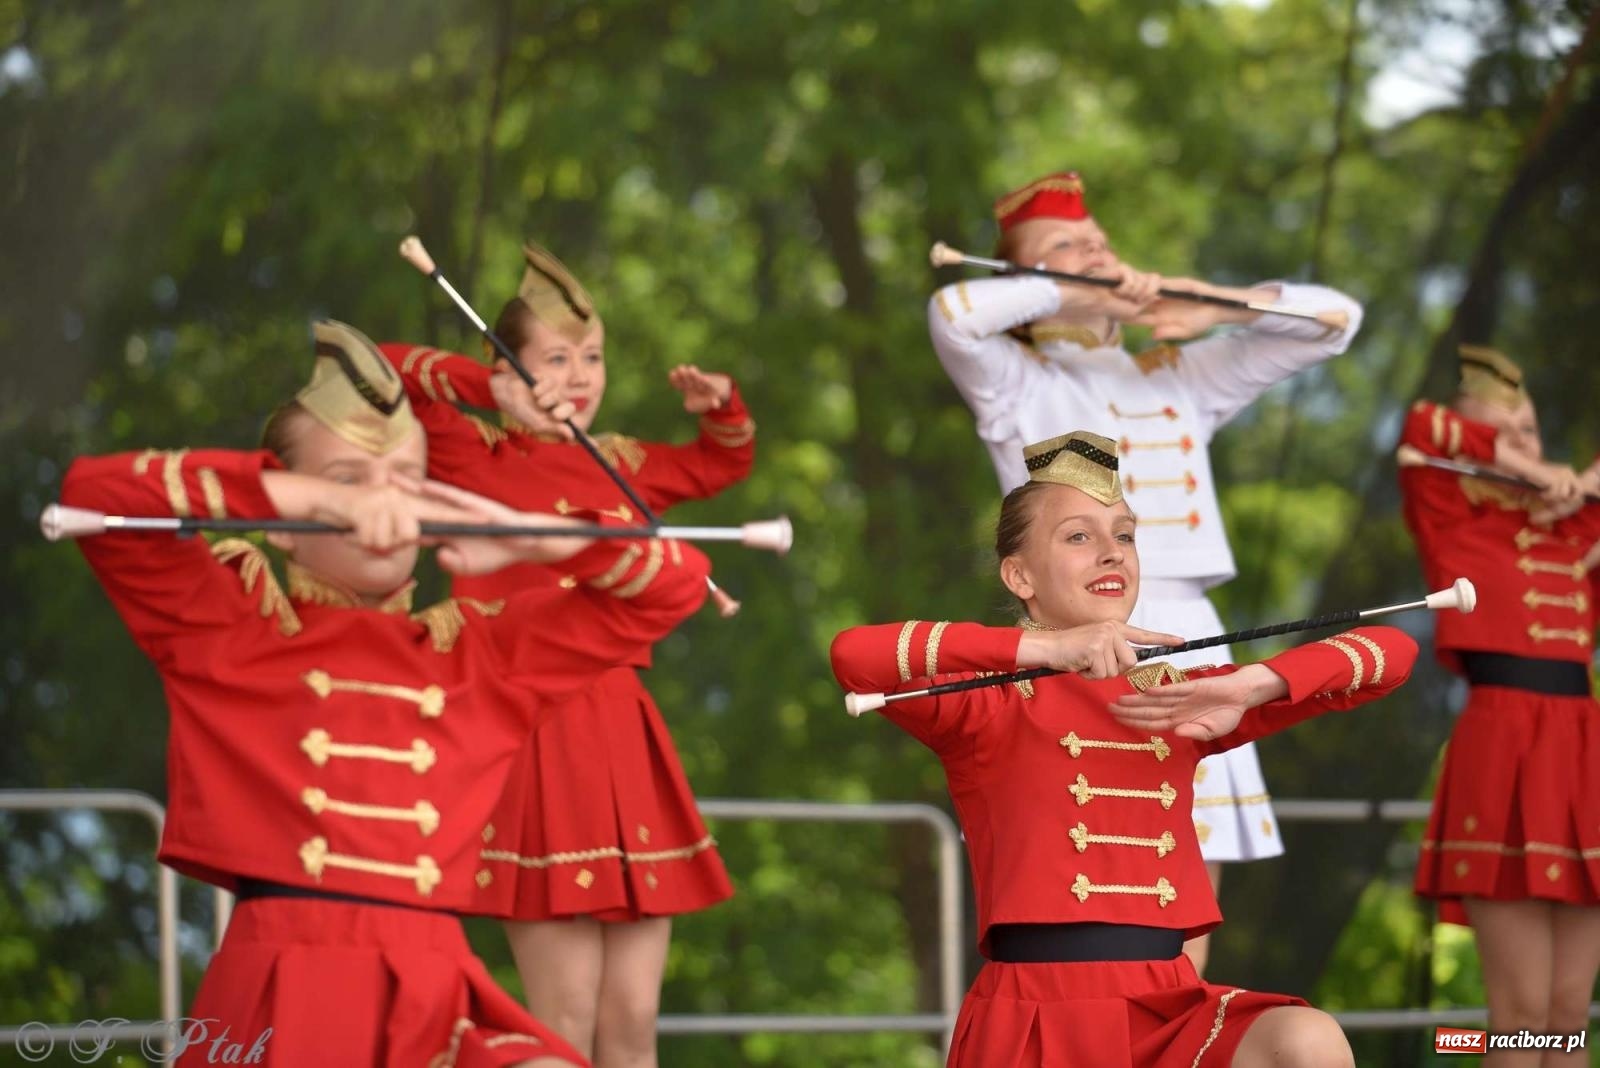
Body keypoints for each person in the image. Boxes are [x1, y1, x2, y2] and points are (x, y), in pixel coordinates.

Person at [61, 319, 713, 1068]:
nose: (382, 502)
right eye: (347, 477)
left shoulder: (480, 651)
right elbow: (94, 497)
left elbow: (673, 588)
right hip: (283, 989)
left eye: (405, 479)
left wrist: (543, 540)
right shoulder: (229, 625)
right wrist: (303, 494)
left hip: (437, 997)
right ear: (282, 520)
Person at [831, 430, 1418, 1067]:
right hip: (1036, 1015)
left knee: (1309, 1042)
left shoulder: (1181, 696)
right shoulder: (985, 700)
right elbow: (855, 658)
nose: (1112, 553)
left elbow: (1393, 655)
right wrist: (1044, 650)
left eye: (1125, 535)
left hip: (1166, 1012)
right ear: (1019, 574)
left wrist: (1253, 683)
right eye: (1079, 536)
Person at [926, 171, 1366, 973]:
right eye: (1061, 246)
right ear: (1021, 280)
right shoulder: (1017, 380)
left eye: (1096, 242)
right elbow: (952, 315)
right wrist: (1060, 286)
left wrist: (1208, 302)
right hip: (1078, 644)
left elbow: (1337, 323)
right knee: (1090, 889)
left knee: (1185, 927)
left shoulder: (1175, 375)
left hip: (1194, 637)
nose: (1091, 251)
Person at [378, 243, 754, 1067]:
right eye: (555, 358)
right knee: (564, 1019)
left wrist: (721, 406)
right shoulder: (473, 453)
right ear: (506, 362)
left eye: (592, 357)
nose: (578, 374)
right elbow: (392, 371)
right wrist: (495, 393)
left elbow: (719, 464)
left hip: (622, 728)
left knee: (631, 1022)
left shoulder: (618, 462)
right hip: (531, 725)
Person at [1402, 345, 1600, 1067]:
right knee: (1519, 1014)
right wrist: (1528, 466)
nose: (1525, 445)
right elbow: (1422, 429)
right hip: (1505, 740)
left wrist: (1577, 484)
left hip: (1584, 752)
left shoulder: (1577, 530)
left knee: (1568, 1016)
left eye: (1533, 431)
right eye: (1504, 432)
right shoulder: (1450, 512)